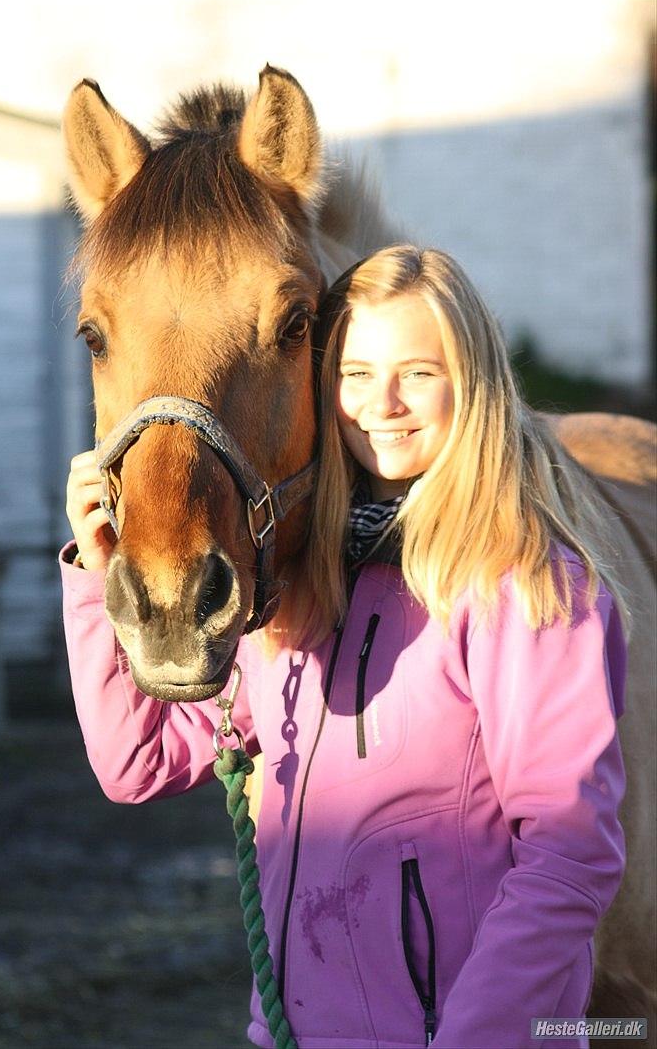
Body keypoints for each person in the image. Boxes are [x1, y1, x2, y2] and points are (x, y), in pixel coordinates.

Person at [61, 245, 627, 1049]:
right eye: (355, 374)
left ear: (473, 383)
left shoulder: (526, 585)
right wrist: (95, 570)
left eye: (419, 373)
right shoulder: (300, 589)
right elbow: (136, 763)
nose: (381, 404)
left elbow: (571, 858)